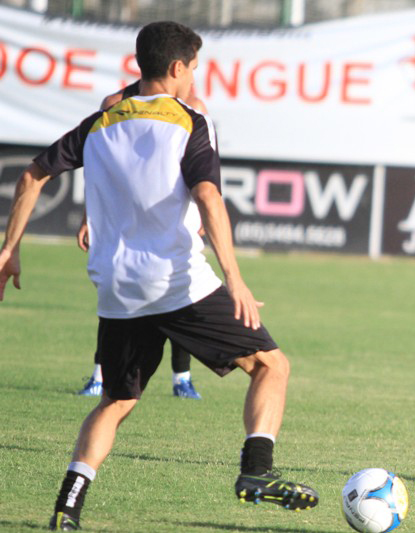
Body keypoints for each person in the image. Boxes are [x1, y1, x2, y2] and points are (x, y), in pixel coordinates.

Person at [0, 21, 318, 531]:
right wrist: (235, 278)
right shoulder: (190, 121)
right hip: (177, 282)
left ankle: (67, 506)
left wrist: (9, 248)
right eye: (193, 68)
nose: (194, 77)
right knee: (271, 365)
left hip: (116, 288)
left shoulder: (101, 121)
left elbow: (33, 174)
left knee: (117, 401)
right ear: (176, 68)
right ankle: (257, 472)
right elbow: (209, 197)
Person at [75, 83, 209, 400]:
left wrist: (203, 213)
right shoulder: (116, 103)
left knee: (183, 292)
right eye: (190, 67)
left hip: (174, 214)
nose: (192, 78)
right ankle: (100, 376)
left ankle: (182, 378)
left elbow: (205, 165)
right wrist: (88, 215)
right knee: (116, 299)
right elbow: (100, 166)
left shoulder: (194, 107)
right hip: (125, 219)